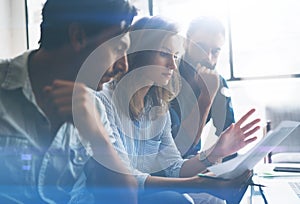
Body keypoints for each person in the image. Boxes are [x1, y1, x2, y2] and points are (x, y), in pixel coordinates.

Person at [97, 16, 260, 204]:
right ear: (140, 52)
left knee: (212, 199)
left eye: (175, 56)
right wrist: (197, 183)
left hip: (142, 192)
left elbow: (174, 166)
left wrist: (216, 152)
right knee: (179, 199)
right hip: (112, 196)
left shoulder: (157, 109)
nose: (173, 66)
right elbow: (126, 178)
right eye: (164, 54)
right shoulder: (104, 101)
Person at [0, 0, 138, 203]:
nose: (123, 66)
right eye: (117, 48)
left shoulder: (95, 109)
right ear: (78, 37)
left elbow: (127, 199)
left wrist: (98, 137)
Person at [170, 16, 236, 158]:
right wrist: (207, 96)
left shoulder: (216, 82)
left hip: (193, 162)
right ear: (186, 43)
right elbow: (177, 147)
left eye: (215, 51)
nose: (208, 57)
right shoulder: (166, 76)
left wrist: (234, 169)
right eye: (201, 47)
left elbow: (227, 135)